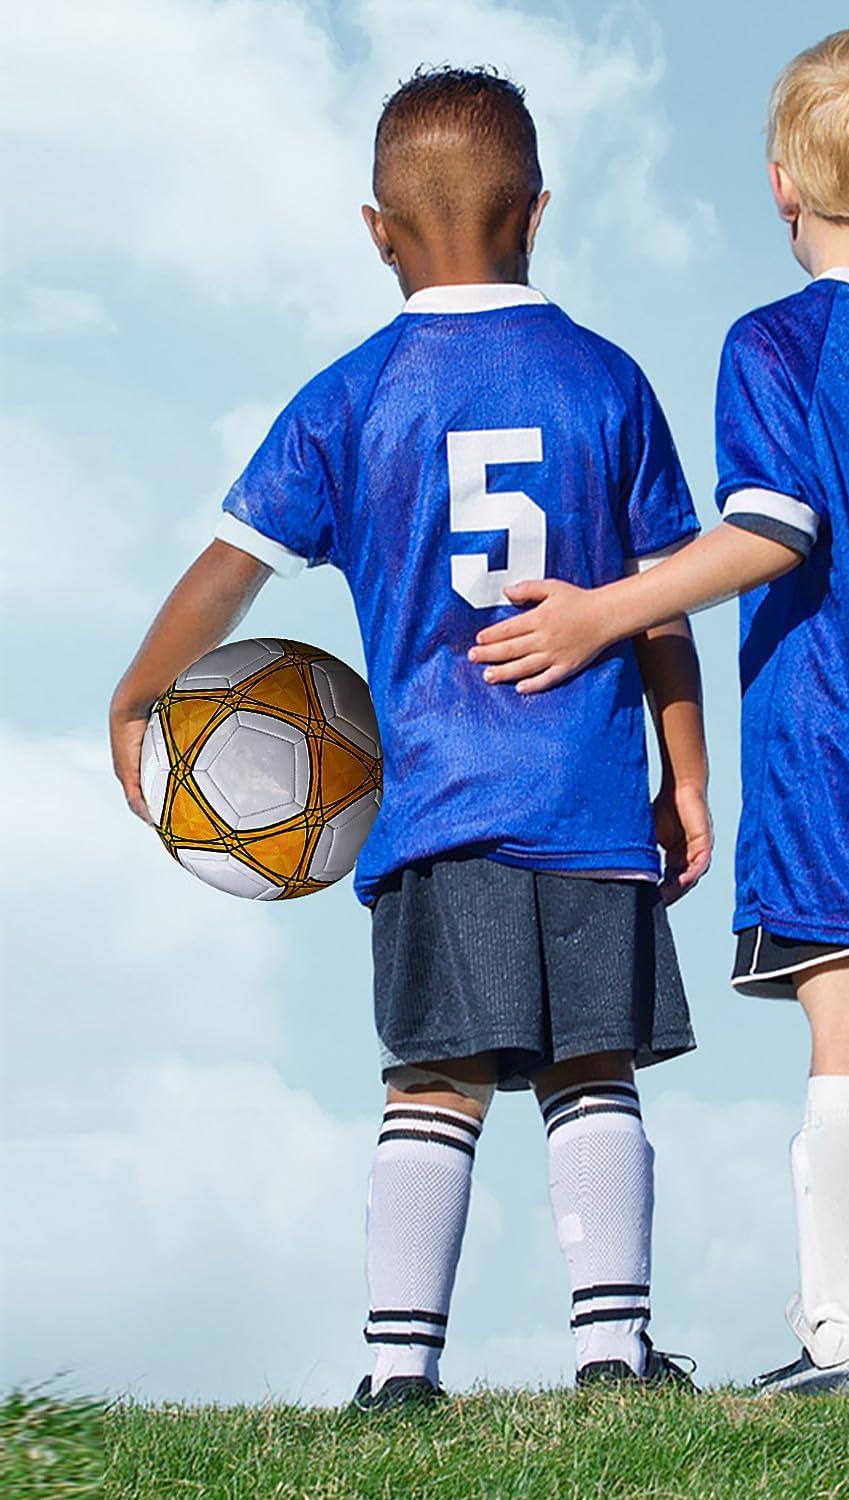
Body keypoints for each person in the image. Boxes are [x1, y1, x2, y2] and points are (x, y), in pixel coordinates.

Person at [469, 29, 849, 1392]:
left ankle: (843, 1344)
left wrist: (600, 610)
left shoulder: (780, 343)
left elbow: (770, 530)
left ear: (778, 187)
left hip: (839, 749)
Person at [108, 66, 709, 1406]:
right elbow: (666, 608)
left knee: (432, 1076)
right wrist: (688, 771)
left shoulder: (352, 395)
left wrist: (138, 692)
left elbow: (232, 570)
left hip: (437, 805)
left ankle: (398, 1375)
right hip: (592, 794)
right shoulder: (607, 382)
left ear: (376, 230)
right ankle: (612, 1351)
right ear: (537, 213)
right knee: (592, 1067)